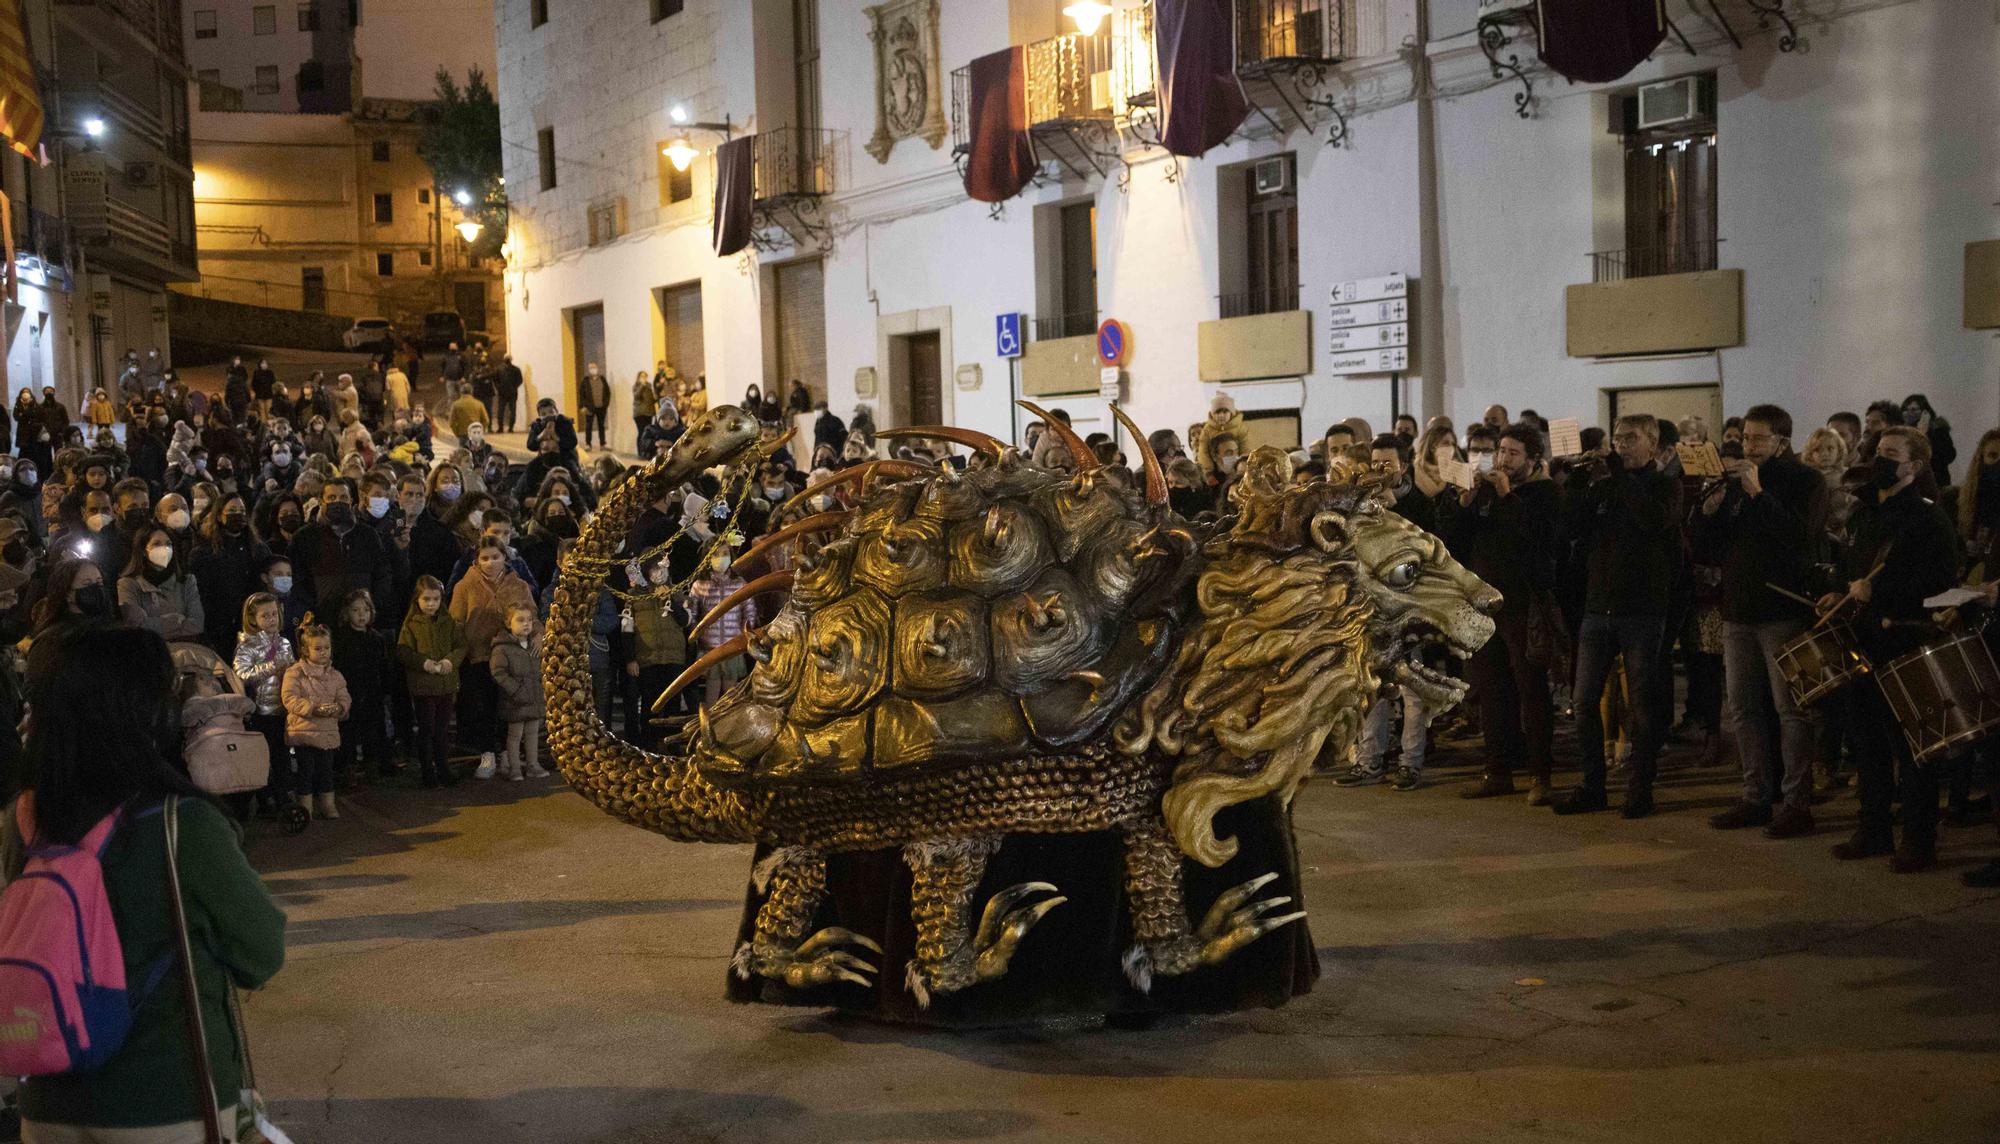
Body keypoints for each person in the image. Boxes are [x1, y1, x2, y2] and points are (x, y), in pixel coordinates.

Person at [9, 625, 286, 1140]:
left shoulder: (25, 820)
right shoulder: (183, 825)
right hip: (167, 1101)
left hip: (48, 1102)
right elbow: (261, 950)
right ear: (144, 711)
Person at [1825, 426, 1961, 872]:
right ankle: (1873, 828)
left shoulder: (1927, 516)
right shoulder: (1865, 513)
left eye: (1891, 454)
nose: (1880, 459)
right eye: (1878, 450)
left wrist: (1880, 594)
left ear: (1915, 466)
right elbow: (1850, 567)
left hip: (1902, 638)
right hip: (1863, 637)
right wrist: (1839, 591)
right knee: (1866, 742)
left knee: (1911, 745)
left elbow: (1941, 581)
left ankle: (1919, 840)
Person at [1696, 404, 1829, 839]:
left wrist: (1758, 494)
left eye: (1758, 439)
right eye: (1745, 438)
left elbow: (1799, 540)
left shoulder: (1806, 480)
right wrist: (1709, 510)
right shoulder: (1735, 483)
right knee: (1743, 708)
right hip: (1738, 610)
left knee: (1791, 711)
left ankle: (1796, 804)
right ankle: (1755, 795)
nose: (1748, 446)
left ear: (1783, 441)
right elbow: (1707, 548)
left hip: (1783, 613)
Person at [1552, 416, 1682, 818]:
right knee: (1584, 699)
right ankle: (1594, 786)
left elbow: (1652, 520)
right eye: (1618, 438)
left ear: (1653, 444)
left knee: (1641, 703)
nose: (1622, 446)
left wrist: (1617, 478)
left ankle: (1640, 787)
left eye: (1631, 439)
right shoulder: (1606, 486)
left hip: (1642, 610)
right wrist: (1580, 481)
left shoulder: (1666, 485)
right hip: (1598, 607)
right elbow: (1570, 526)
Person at [1444, 424, 1560, 804]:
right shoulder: (1484, 494)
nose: (1505, 460)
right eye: (1502, 452)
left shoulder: (1545, 494)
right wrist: (1463, 504)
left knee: (1531, 690)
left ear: (1532, 460)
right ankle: (1497, 771)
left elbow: (1533, 541)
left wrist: (1508, 497)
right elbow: (1454, 542)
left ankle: (1540, 776)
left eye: (1513, 454)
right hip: (1485, 605)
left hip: (1523, 606)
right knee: (1491, 690)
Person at [449, 538, 535, 780]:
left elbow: (532, 615)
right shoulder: (464, 586)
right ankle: (487, 753)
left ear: (504, 558)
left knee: (509, 705)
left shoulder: (519, 585)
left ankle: (508, 753)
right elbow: (456, 623)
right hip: (479, 656)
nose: (490, 562)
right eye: (485, 558)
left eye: (495, 557)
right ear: (477, 561)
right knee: (483, 707)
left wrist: (536, 636)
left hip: (513, 655)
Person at [284, 478, 399, 622]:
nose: (338, 502)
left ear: (351, 501)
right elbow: (296, 579)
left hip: (361, 621)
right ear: (321, 502)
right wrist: (312, 608)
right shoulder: (304, 538)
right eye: (332, 498)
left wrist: (370, 605)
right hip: (322, 622)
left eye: (343, 497)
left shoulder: (367, 534)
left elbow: (382, 574)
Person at [398, 575, 465, 788]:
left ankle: (443, 768)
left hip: (445, 685)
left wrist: (450, 661)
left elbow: (461, 646)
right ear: (417, 599)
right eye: (426, 599)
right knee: (427, 730)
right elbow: (403, 651)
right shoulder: (411, 624)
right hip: (424, 687)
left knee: (442, 730)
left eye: (435, 599)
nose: (431, 604)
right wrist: (423, 663)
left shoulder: (448, 622)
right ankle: (428, 771)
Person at [233, 591, 296, 812]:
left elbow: (292, 669)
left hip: (283, 709)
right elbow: (241, 673)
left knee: (282, 755)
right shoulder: (248, 645)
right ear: (253, 619)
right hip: (261, 711)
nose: (271, 619)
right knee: (263, 758)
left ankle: (284, 795)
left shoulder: (285, 643)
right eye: (265, 616)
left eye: (274, 614)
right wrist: (271, 665)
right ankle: (264, 797)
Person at [282, 618, 350, 820]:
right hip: (304, 731)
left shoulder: (335, 675)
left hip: (327, 732)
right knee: (306, 771)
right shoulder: (295, 673)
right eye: (318, 648)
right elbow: (289, 698)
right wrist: (313, 709)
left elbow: (344, 696)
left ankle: (328, 804)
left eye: (327, 648)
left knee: (326, 771)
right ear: (305, 650)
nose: (323, 652)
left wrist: (339, 707)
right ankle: (306, 807)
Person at [330, 589, 393, 783]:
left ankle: (373, 764)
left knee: (373, 731)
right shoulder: (340, 639)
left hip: (372, 692)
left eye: (365, 610)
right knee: (348, 732)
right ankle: (348, 768)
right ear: (347, 612)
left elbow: (384, 667)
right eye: (356, 610)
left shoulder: (377, 639)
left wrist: (386, 691)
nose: (361, 615)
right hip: (350, 693)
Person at [489, 604, 548, 781]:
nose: (526, 624)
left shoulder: (534, 646)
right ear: (509, 623)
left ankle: (533, 764)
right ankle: (514, 767)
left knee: (532, 734)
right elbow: (498, 673)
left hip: (534, 699)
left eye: (529, 620)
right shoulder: (502, 648)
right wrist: (516, 690)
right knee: (514, 735)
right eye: (520, 620)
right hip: (515, 701)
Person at [116, 526, 204, 644]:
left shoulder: (187, 581)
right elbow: (135, 627)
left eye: (168, 544)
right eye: (157, 544)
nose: (164, 548)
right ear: (143, 551)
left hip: (185, 653)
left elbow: (197, 624)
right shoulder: (127, 584)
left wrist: (151, 624)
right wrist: (177, 620)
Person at [1899, 393, 1956, 487]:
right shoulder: (1900, 433)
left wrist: (1925, 435)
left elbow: (1949, 456)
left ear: (1925, 412)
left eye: (1913, 410)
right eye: (1906, 409)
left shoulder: (1937, 429)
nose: (1909, 413)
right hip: (1908, 484)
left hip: (1935, 483)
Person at [580, 362, 611, 449]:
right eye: (591, 368)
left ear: (597, 368)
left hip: (601, 407)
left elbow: (607, 392)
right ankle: (588, 444)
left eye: (594, 367)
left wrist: (606, 403)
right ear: (588, 370)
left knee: (601, 425)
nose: (593, 369)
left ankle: (603, 444)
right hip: (589, 407)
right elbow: (581, 394)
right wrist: (582, 406)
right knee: (588, 425)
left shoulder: (602, 379)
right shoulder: (585, 380)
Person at [492, 354, 523, 433]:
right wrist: (500, 387)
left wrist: (499, 387)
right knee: (505, 411)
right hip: (507, 393)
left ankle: (506, 428)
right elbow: (495, 380)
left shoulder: (513, 369)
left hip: (508, 393)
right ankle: (505, 428)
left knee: (507, 410)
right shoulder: (513, 369)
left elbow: (519, 380)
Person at [631, 368, 659, 445]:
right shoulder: (636, 386)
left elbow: (653, 399)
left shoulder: (649, 386)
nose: (644, 378)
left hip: (649, 412)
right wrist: (642, 386)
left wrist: (655, 394)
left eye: (645, 376)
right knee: (641, 432)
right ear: (638, 378)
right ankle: (640, 451)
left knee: (648, 432)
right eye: (642, 376)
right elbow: (637, 396)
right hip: (640, 413)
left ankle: (646, 450)